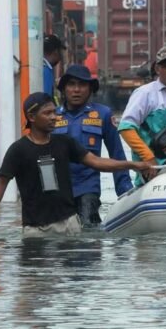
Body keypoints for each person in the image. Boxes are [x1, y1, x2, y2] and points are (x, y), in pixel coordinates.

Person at [0, 92, 154, 236]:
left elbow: (97, 162)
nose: (54, 117)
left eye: (55, 112)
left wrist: (134, 165)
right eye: (47, 113)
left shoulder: (64, 143)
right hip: (35, 230)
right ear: (31, 117)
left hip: (69, 225)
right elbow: (1, 183)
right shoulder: (18, 150)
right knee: (34, 278)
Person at [53, 65, 133, 227]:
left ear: (90, 89)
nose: (76, 90)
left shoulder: (103, 114)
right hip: (57, 190)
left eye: (82, 85)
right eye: (71, 85)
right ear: (64, 88)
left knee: (88, 229)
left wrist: (126, 193)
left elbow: (116, 154)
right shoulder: (51, 116)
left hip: (88, 188)